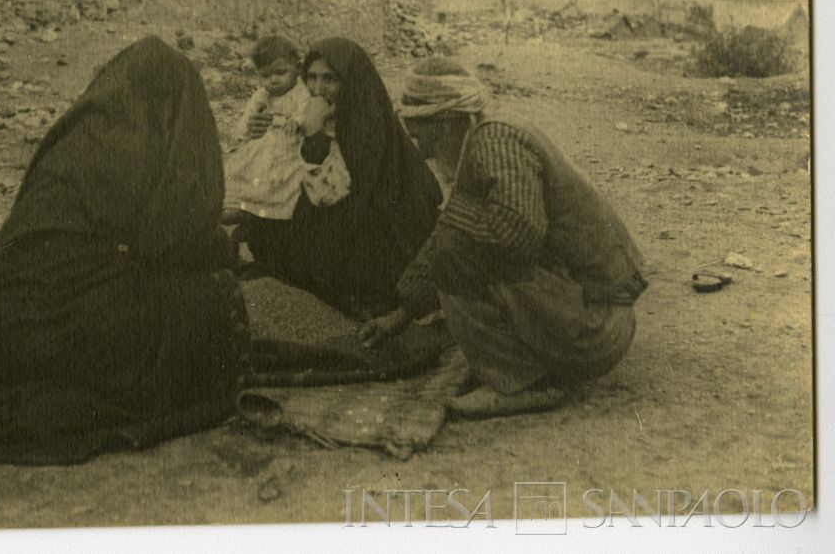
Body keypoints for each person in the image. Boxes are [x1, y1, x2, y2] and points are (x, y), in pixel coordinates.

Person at [0, 37, 251, 464]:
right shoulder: (140, 144)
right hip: (56, 333)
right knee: (214, 301)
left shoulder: (78, 136)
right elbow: (173, 242)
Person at [360, 58, 648, 418]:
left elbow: (518, 234)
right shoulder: (482, 137)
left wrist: (455, 217)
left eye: (419, 129)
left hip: (597, 327)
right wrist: (401, 314)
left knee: (455, 255)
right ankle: (530, 364)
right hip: (592, 314)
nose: (415, 141)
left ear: (448, 121)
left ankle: (527, 381)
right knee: (454, 246)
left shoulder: (496, 141)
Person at [239, 37, 444, 320]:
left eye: (330, 79)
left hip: (375, 215)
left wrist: (313, 135)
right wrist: (261, 129)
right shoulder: (310, 108)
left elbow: (340, 192)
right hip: (329, 201)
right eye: (311, 78)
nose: (318, 89)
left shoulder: (365, 118)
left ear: (350, 80)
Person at [222, 35, 318, 224]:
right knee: (244, 170)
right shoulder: (262, 95)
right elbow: (247, 121)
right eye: (265, 75)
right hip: (263, 145)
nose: (273, 80)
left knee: (279, 181)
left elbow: (306, 108)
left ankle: (266, 211)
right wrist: (247, 128)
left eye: (280, 73)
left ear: (297, 69)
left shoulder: (300, 91)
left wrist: (296, 121)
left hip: (288, 146)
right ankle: (242, 206)